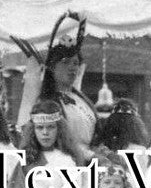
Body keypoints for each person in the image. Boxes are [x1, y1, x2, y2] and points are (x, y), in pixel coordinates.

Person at [14, 12, 97, 163]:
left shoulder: (80, 99)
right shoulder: (45, 102)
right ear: (52, 67)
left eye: (75, 63)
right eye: (65, 63)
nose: (72, 68)